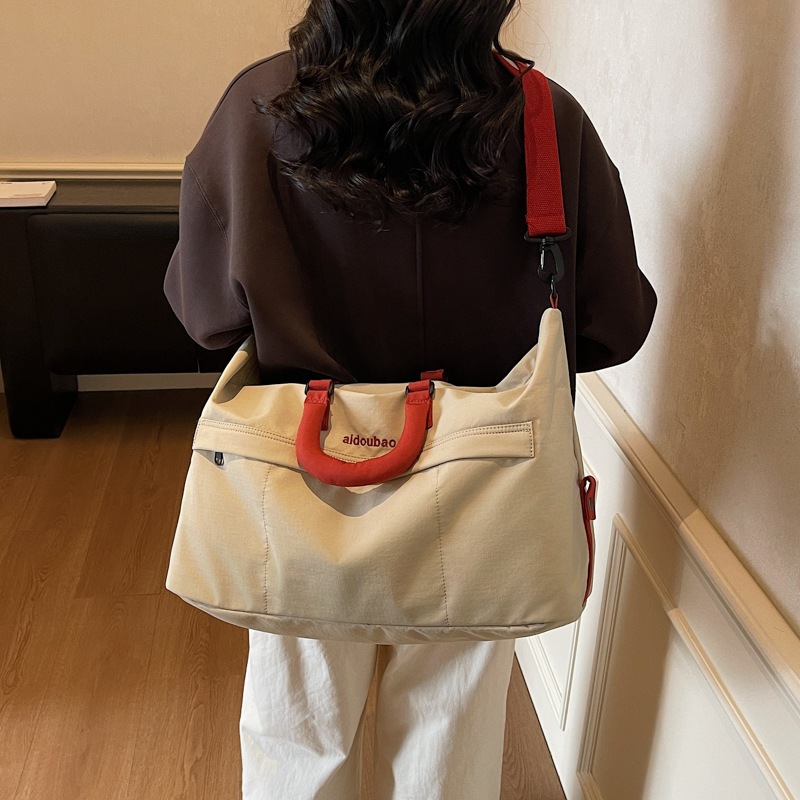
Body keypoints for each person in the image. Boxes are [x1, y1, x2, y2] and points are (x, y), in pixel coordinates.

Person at [164, 1, 657, 798]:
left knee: (299, 732)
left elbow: (206, 314)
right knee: (449, 740)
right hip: (486, 490)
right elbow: (612, 324)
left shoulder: (257, 108)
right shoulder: (544, 120)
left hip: (298, 485)